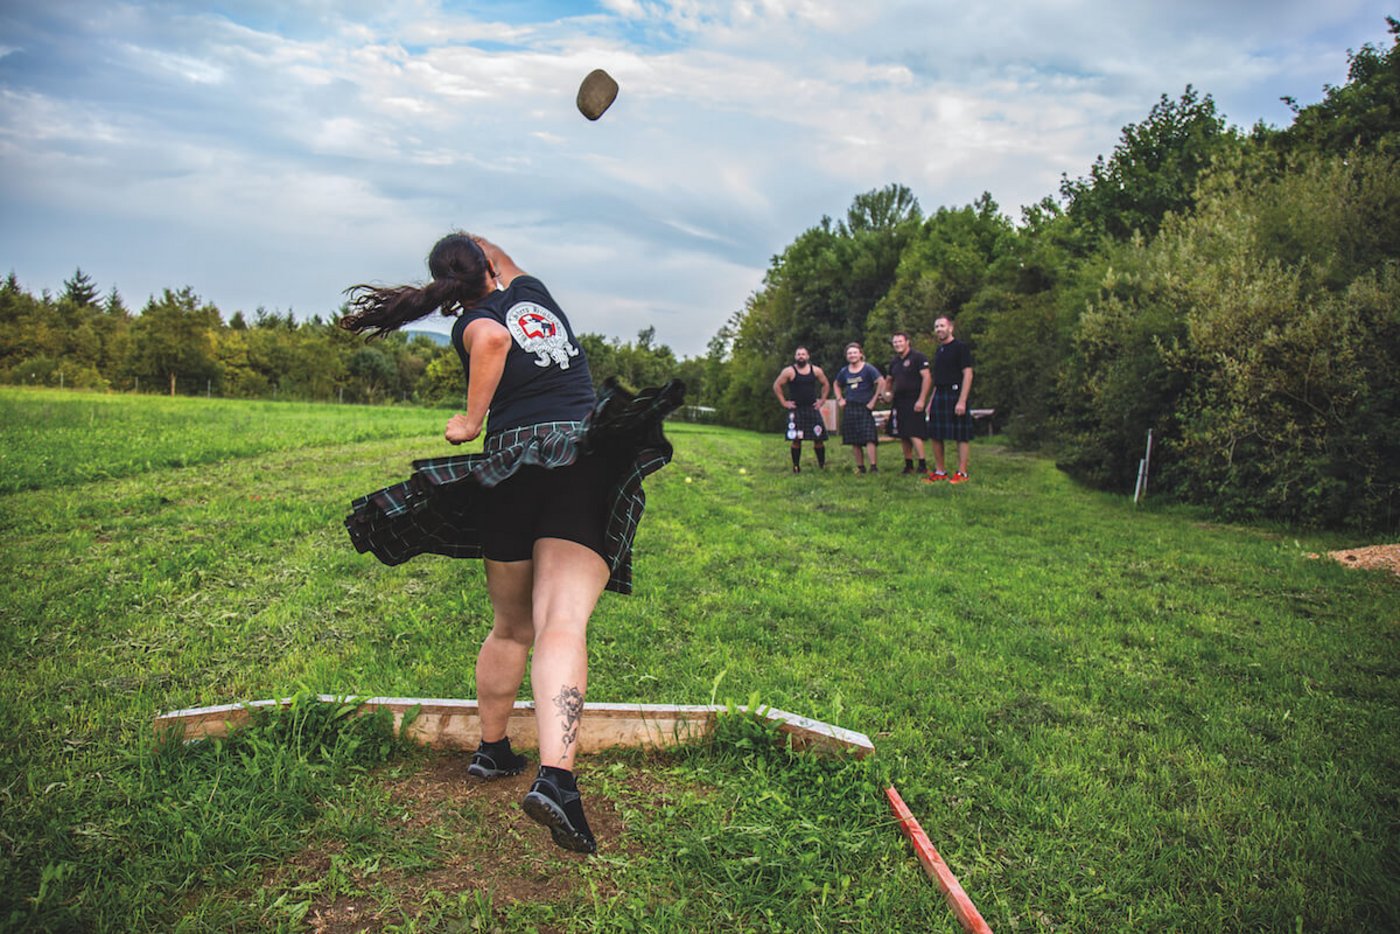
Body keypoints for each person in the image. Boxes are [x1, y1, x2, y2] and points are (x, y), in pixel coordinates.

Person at [339, 232, 683, 855]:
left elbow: (490, 335)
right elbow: (496, 305)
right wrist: (471, 249)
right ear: (492, 268)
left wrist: (470, 423)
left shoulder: (470, 320)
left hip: (508, 467)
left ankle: (492, 752)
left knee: (510, 627)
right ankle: (556, 779)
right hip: (575, 456)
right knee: (561, 623)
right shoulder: (530, 292)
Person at [924, 315, 975, 484]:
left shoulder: (960, 347)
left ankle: (962, 473)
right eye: (936, 326)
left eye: (942, 326)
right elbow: (937, 379)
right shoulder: (939, 350)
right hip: (940, 393)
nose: (939, 329)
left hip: (956, 392)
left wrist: (962, 400)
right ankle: (940, 471)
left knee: (961, 435)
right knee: (936, 433)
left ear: (950, 328)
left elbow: (967, 374)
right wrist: (931, 401)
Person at [772, 346, 830, 473]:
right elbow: (777, 385)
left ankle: (822, 465)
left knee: (818, 438)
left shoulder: (816, 370)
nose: (801, 356)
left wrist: (822, 400)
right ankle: (796, 466)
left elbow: (826, 384)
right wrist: (784, 402)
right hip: (796, 409)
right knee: (796, 439)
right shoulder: (789, 371)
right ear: (795, 357)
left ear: (808, 356)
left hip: (812, 408)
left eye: (803, 354)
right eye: (798, 354)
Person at [882, 332, 930, 474]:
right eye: (895, 342)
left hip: (914, 399)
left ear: (907, 342)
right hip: (899, 400)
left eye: (900, 341)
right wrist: (886, 395)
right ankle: (908, 465)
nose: (897, 344)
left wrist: (922, 399)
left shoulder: (918, 357)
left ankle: (922, 464)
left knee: (914, 432)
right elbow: (888, 380)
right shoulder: (894, 361)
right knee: (903, 433)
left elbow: (927, 378)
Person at [832, 342, 882, 474]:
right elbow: (836, 384)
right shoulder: (844, 371)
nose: (852, 355)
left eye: (854, 352)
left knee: (869, 438)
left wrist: (874, 400)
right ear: (846, 356)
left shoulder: (868, 369)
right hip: (850, 407)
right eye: (849, 353)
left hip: (865, 407)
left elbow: (881, 382)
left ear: (860, 354)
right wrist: (840, 399)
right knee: (855, 439)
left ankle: (873, 466)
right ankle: (861, 467)